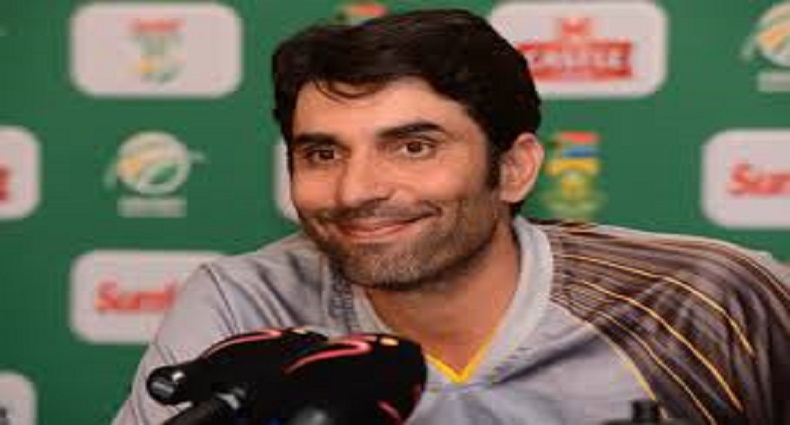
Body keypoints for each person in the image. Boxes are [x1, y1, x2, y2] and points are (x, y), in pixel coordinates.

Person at [113, 9, 790, 425]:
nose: (356, 190)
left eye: (414, 147)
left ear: (514, 167)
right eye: (322, 153)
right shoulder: (242, 302)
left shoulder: (703, 298)